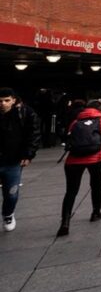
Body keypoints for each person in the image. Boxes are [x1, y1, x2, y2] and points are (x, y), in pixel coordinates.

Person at [59, 98, 101, 236]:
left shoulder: (76, 122)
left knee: (71, 191)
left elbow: (69, 138)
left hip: (73, 160)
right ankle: (96, 212)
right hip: (96, 157)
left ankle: (65, 222)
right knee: (96, 185)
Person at [1, 87, 41, 232]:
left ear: (13, 100)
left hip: (13, 160)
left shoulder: (24, 113)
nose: (3, 104)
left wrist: (28, 154)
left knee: (11, 193)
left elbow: (34, 133)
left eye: (6, 100)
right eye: (0, 101)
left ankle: (8, 214)